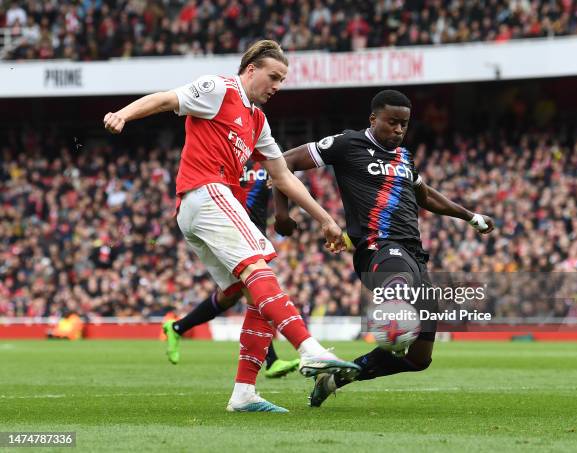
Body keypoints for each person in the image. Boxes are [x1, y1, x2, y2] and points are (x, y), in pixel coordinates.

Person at [103, 40, 360, 413]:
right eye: (273, 77)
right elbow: (165, 99)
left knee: (253, 293)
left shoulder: (257, 121)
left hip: (199, 206)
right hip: (205, 192)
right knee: (259, 268)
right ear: (251, 69)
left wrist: (326, 220)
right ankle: (310, 350)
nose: (277, 86)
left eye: (283, 80)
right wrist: (123, 114)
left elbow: (283, 177)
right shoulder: (219, 89)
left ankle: (244, 393)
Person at [273, 89, 495, 407]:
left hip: (414, 253)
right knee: (399, 285)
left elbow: (426, 196)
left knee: (420, 359)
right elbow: (284, 162)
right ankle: (391, 312)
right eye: (392, 122)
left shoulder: (404, 157)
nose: (399, 130)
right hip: (377, 247)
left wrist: (470, 216)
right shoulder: (348, 144)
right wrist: (283, 214)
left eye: (404, 124)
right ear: (373, 119)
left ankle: (335, 378)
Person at [162, 160, 301, 379]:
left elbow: (282, 185)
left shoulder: (267, 160)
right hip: (230, 232)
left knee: (231, 295)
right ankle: (272, 361)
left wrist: (283, 216)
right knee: (255, 291)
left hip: (255, 234)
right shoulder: (224, 158)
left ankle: (178, 327)